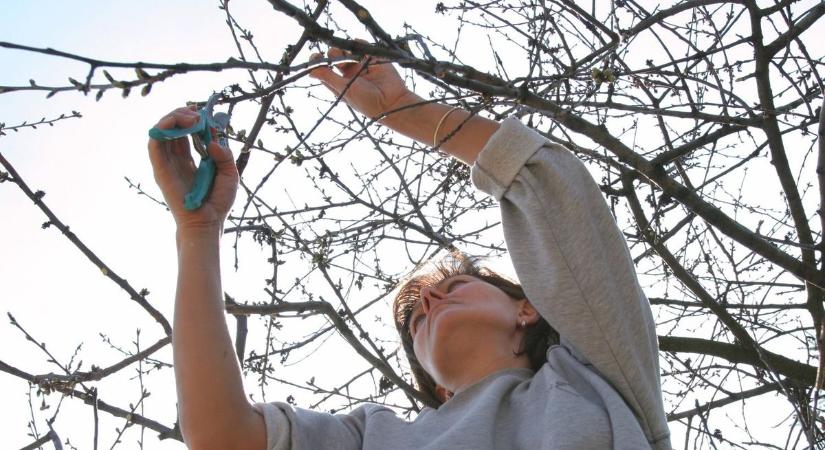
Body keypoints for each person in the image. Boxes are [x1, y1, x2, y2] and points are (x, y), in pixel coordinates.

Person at [148, 44, 672, 450]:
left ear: (528, 308)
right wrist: (197, 233)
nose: (428, 303)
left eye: (456, 285)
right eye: (416, 323)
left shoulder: (594, 373)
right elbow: (224, 436)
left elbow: (555, 189)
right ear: (437, 386)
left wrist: (406, 111)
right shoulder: (375, 437)